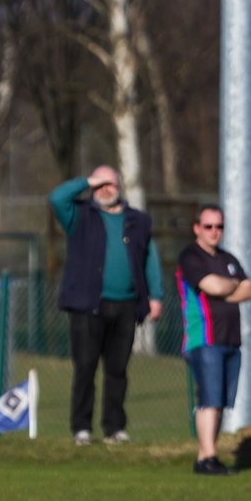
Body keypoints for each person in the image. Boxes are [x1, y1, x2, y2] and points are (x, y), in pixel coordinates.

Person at [49, 165, 163, 447]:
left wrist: (155, 295)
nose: (104, 189)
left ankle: (114, 428)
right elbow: (57, 198)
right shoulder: (80, 216)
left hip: (126, 306)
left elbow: (150, 257)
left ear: (120, 186)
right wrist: (88, 180)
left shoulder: (138, 221)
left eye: (109, 183)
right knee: (85, 367)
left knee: (118, 370)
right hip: (88, 306)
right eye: (99, 185)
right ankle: (82, 428)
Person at [176, 205, 251, 475]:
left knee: (220, 401)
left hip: (230, 340)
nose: (214, 232)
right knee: (209, 399)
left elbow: (249, 289)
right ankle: (209, 456)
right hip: (204, 339)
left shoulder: (228, 258)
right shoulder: (190, 256)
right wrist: (230, 285)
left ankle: (205, 456)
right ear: (197, 228)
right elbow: (213, 286)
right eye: (208, 226)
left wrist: (227, 287)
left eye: (219, 226)